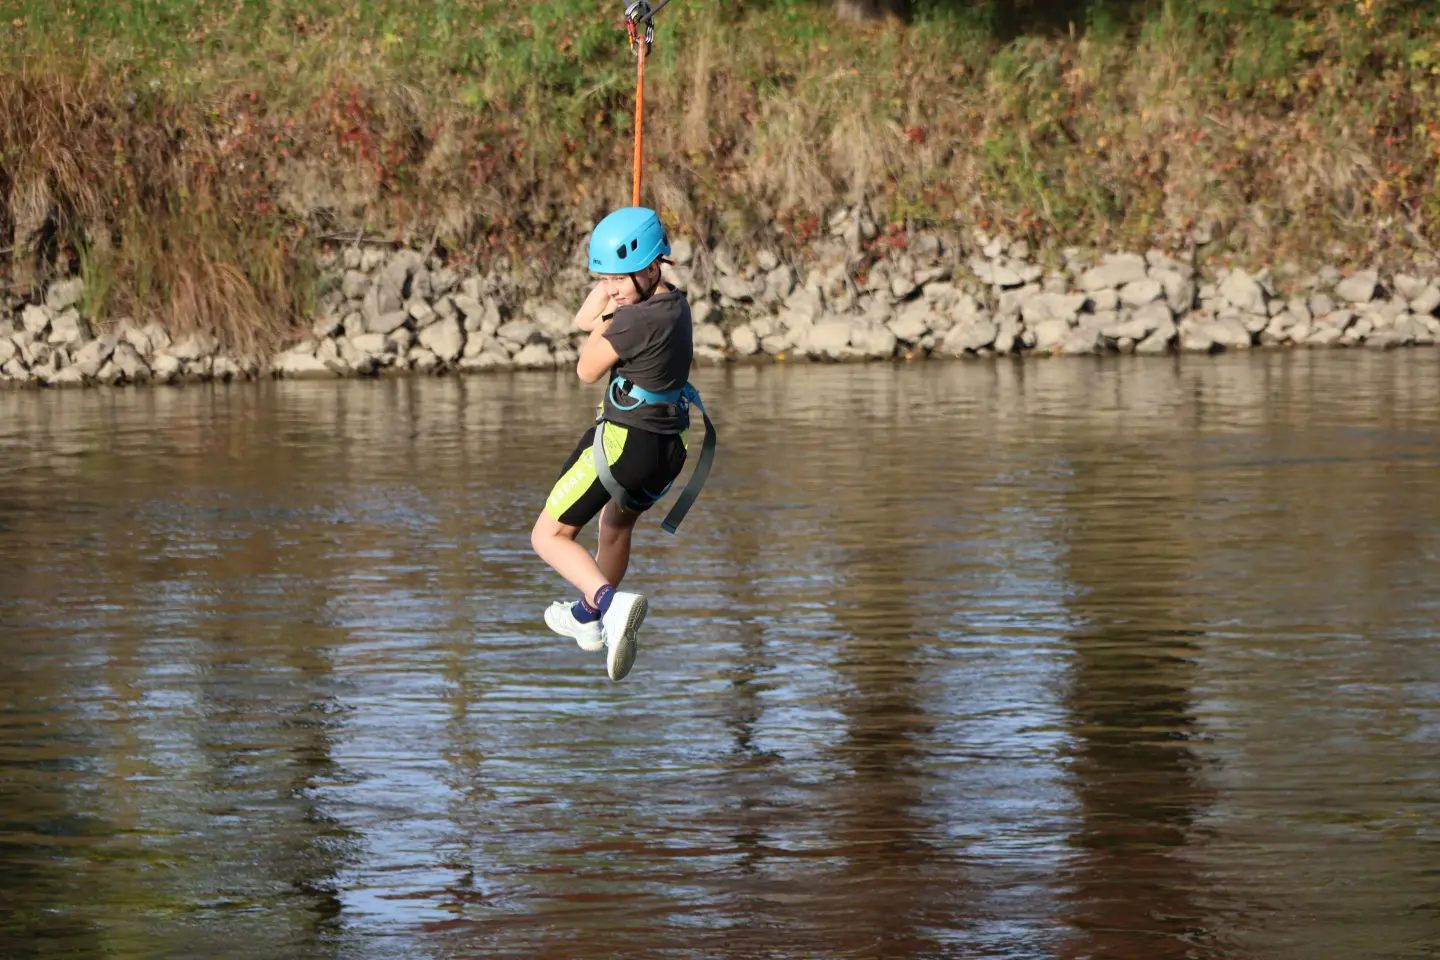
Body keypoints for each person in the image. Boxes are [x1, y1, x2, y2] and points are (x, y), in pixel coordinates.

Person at [529, 206, 702, 682]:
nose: (611, 288)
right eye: (605, 278)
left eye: (620, 278)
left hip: (625, 443)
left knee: (547, 536)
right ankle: (588, 619)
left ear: (653, 266)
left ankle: (609, 602)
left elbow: (586, 370)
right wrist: (615, 284)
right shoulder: (673, 302)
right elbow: (588, 315)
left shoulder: (634, 320)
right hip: (668, 448)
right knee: (614, 527)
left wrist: (617, 309)